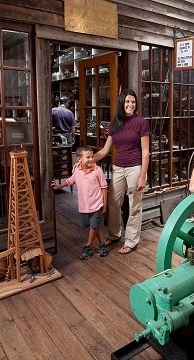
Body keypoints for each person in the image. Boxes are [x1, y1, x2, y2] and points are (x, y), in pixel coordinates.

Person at [94, 89, 150, 255]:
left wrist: (142, 176)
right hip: (118, 168)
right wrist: (88, 159)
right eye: (127, 102)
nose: (130, 104)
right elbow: (105, 151)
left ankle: (131, 241)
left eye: (133, 102)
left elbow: (146, 152)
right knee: (113, 202)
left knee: (134, 205)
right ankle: (115, 234)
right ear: (121, 103)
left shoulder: (141, 122)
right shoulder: (115, 123)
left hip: (135, 168)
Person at [51, 146, 109, 259]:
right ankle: (103, 244)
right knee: (95, 226)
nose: (91, 159)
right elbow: (70, 181)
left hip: (97, 204)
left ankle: (88, 246)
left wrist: (105, 203)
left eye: (92, 156)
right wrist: (58, 186)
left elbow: (104, 187)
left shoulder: (98, 170)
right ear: (79, 159)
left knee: (93, 226)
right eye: (88, 157)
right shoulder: (77, 171)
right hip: (84, 206)